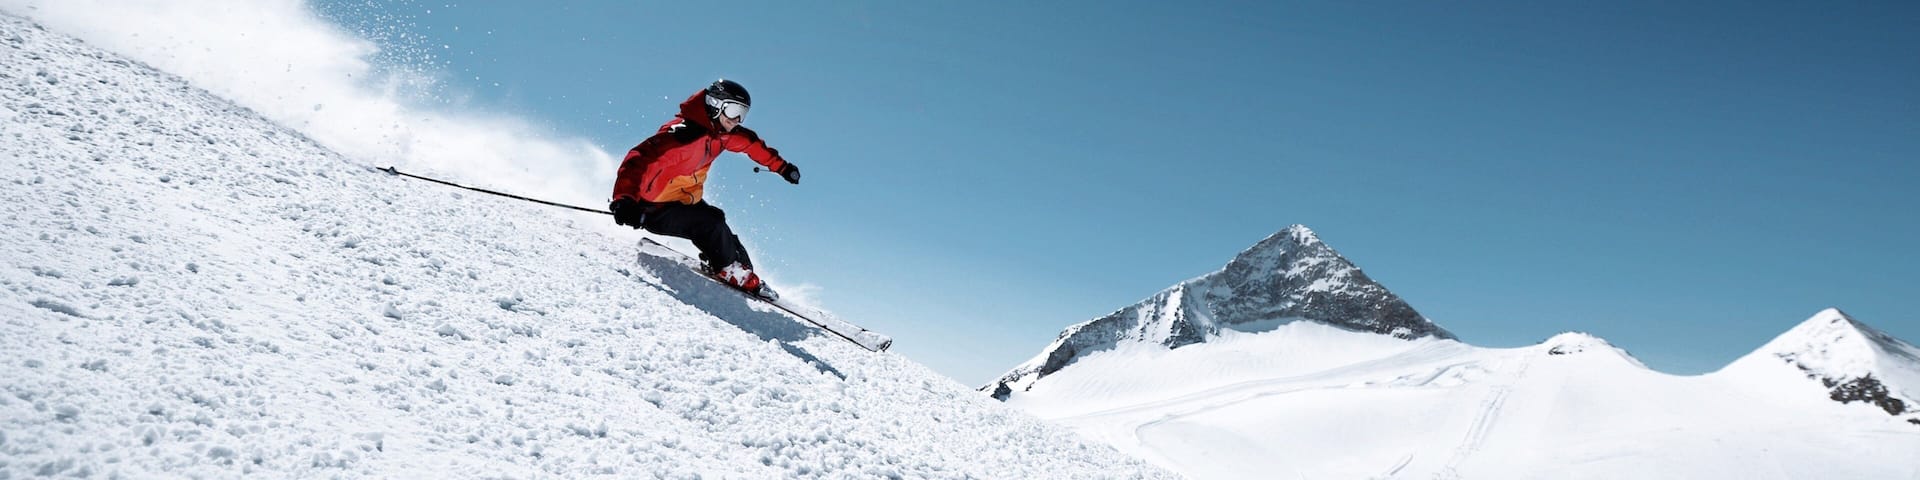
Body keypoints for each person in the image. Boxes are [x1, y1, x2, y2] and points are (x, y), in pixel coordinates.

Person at [608, 79, 801, 296]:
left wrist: (782, 167)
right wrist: (625, 200)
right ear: (714, 104)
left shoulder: (723, 134)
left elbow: (752, 145)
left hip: (681, 200)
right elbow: (639, 160)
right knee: (710, 224)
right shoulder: (683, 134)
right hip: (652, 209)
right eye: (733, 110)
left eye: (742, 113)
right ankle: (728, 269)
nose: (736, 119)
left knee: (717, 219)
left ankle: (738, 268)